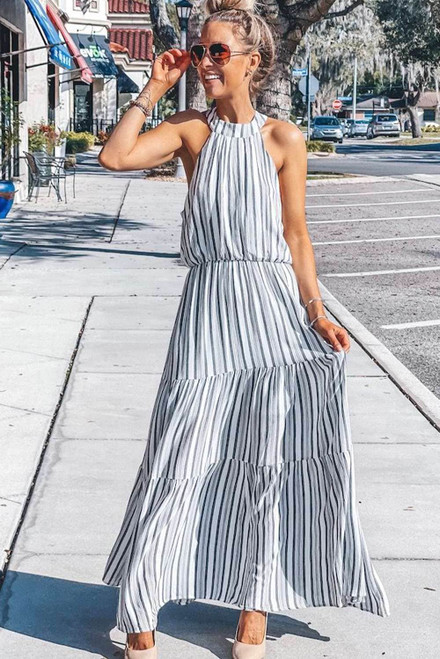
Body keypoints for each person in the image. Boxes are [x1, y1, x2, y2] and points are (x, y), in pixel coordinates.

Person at [98, 1, 391, 657]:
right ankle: (139, 611)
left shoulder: (283, 139)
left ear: (253, 61)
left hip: (272, 312)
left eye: (217, 52)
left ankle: (254, 610)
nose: (204, 62)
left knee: (266, 464)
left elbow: (295, 235)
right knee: (179, 457)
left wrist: (316, 310)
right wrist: (153, 87)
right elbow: (115, 159)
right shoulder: (189, 131)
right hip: (209, 310)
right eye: (200, 51)